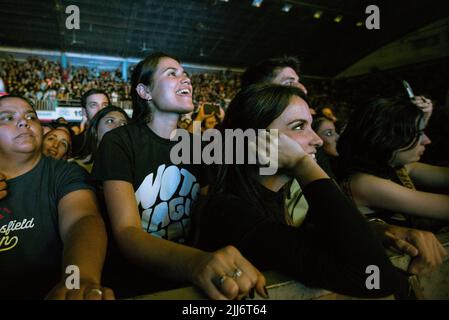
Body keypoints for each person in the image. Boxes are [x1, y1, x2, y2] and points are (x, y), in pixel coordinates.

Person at [195, 84, 402, 298]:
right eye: (298, 126)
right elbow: (375, 278)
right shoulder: (229, 212)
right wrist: (302, 163)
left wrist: (376, 230)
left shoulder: (280, 197)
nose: (317, 140)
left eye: (311, 126)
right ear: (256, 139)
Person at [92, 52, 267, 300]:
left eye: (185, 74)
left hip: (189, 284)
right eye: (172, 73)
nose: (186, 79)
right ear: (145, 92)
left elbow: (206, 216)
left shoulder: (197, 147)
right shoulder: (119, 141)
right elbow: (127, 232)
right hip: (134, 286)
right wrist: (196, 263)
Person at [0, 95, 113, 299]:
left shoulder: (65, 173)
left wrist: (77, 281)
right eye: (7, 117)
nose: (24, 121)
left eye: (31, 116)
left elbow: (82, 220)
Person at [336, 96, 448, 273]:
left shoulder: (395, 165)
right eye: (417, 134)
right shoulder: (364, 183)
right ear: (388, 138)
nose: (427, 140)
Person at [74, 105, 129, 173]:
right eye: (110, 121)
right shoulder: (73, 167)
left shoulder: (133, 168)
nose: (118, 127)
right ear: (95, 130)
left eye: (123, 124)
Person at [71, 89, 111, 156]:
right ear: (84, 111)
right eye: (93, 105)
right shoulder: (74, 143)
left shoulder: (119, 140)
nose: (100, 110)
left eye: (105, 105)